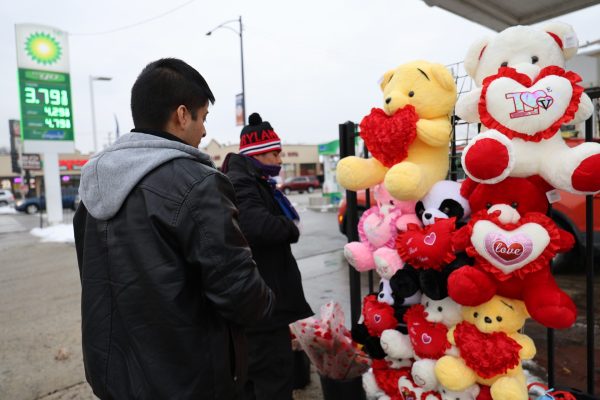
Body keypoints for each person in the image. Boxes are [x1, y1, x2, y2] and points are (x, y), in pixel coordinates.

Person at [73, 58, 274, 399]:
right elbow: (240, 294)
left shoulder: (94, 182)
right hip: (187, 377)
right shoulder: (197, 183)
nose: (205, 131)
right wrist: (269, 302)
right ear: (182, 115)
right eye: (204, 117)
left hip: (112, 374)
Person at [222, 113, 314, 400]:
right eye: (275, 153)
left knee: (260, 380)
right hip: (262, 307)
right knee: (272, 380)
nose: (280, 159)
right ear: (258, 153)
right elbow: (255, 226)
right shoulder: (241, 181)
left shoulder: (254, 179)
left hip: (265, 301)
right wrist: (291, 228)